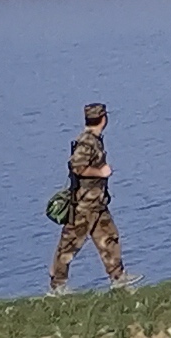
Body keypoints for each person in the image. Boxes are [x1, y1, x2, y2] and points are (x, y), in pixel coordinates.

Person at [49, 100, 125, 290]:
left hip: (97, 203)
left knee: (109, 238)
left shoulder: (94, 139)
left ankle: (119, 279)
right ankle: (57, 287)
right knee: (69, 246)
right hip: (83, 205)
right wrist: (101, 172)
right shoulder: (86, 142)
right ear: (103, 119)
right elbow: (77, 166)